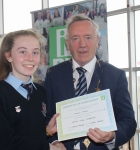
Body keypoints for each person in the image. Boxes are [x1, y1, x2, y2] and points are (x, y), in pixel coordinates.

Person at [44, 14, 136, 150]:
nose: (82, 44)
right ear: (67, 44)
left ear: (97, 41)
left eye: (88, 37)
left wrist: (111, 136)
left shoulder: (116, 75)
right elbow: (47, 118)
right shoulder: (54, 75)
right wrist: (54, 142)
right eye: (75, 38)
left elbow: (128, 122)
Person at [0, 30, 66, 150]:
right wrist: (50, 148)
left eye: (35, 52)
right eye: (23, 52)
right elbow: (5, 142)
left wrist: (47, 131)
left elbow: (27, 132)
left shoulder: (41, 92)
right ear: (8, 56)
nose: (30, 58)